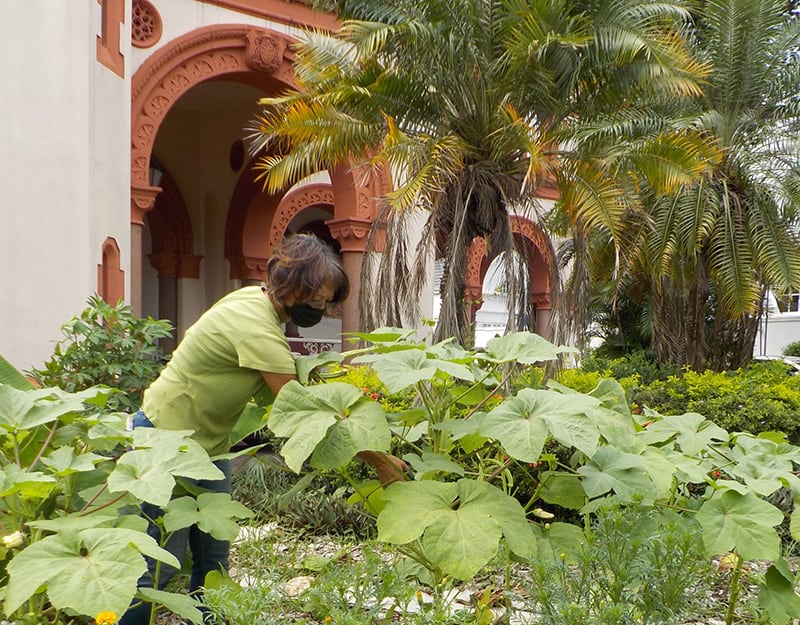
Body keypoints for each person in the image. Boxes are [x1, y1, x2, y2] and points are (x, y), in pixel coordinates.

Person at [120, 233, 404, 625]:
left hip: (208, 450)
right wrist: (377, 459)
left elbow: (302, 399)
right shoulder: (255, 326)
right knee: (158, 567)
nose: (323, 309)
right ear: (290, 285)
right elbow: (303, 416)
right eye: (318, 300)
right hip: (163, 442)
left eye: (328, 302)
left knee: (214, 563)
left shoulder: (257, 303)